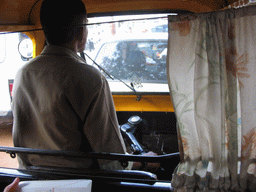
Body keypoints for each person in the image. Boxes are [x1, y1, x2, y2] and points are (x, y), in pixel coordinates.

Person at [12, 0, 157, 171]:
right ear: (81, 32)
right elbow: (113, 162)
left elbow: (20, 147)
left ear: (45, 30)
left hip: (32, 181)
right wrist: (147, 162)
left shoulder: (23, 74)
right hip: (81, 183)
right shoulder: (89, 78)